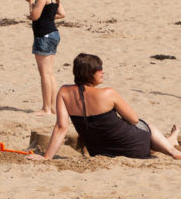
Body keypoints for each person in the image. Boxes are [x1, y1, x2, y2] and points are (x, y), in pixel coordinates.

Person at [29, 53, 181, 160]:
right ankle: (172, 149)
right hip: (133, 146)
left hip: (99, 150)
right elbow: (134, 120)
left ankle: (171, 140)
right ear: (89, 73)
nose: (102, 72)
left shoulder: (64, 92)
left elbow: (61, 127)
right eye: (99, 69)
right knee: (146, 125)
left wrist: (47, 157)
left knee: (140, 141)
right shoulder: (109, 93)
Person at [22, 0, 65, 116]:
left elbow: (34, 16)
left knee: (45, 74)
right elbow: (61, 13)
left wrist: (29, 2)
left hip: (44, 35)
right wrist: (47, 18)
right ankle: (52, 107)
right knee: (50, 73)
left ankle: (46, 108)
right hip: (53, 33)